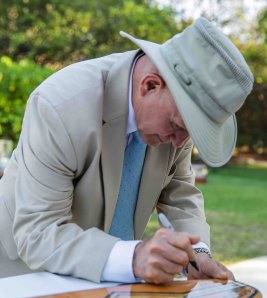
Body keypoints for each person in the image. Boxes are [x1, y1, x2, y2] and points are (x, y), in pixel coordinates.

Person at [0, 17, 253, 283]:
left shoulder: (177, 123)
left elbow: (180, 193)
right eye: (178, 126)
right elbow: (39, 231)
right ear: (151, 85)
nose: (181, 142)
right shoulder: (59, 106)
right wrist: (134, 258)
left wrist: (197, 253)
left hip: (105, 282)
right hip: (21, 275)